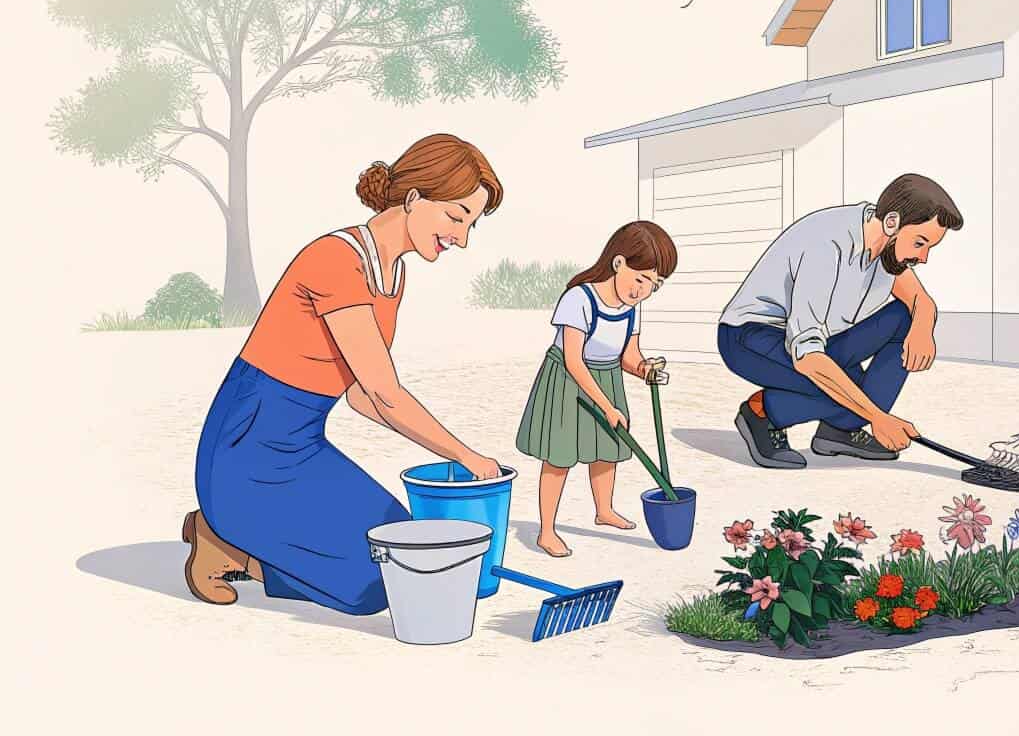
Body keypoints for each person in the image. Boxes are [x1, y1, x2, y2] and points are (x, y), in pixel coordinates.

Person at [184, 134, 505, 614]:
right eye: (456, 216)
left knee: (402, 552)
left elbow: (362, 396)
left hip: (301, 447)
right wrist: (465, 456)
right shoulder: (336, 260)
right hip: (245, 452)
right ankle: (225, 544)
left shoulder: (392, 275)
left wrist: (454, 455)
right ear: (415, 199)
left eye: (471, 225)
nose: (461, 237)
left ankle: (230, 532)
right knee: (374, 583)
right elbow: (385, 392)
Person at [718, 174, 963, 469]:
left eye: (928, 248)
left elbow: (919, 302)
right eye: (920, 243)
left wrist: (923, 327)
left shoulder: (886, 247)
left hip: (817, 343)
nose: (922, 258)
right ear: (892, 222)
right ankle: (761, 412)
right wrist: (877, 417)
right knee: (854, 398)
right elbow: (807, 357)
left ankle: (839, 430)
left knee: (903, 320)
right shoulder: (827, 246)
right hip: (750, 336)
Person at [515, 222, 678, 557]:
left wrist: (645, 370)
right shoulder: (580, 299)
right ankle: (547, 531)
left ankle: (604, 510)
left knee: (607, 447)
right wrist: (606, 405)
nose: (642, 290)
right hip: (567, 380)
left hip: (606, 378)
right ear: (619, 263)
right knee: (559, 456)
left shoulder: (632, 309)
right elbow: (574, 361)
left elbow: (628, 357)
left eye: (654, 285)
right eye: (640, 278)